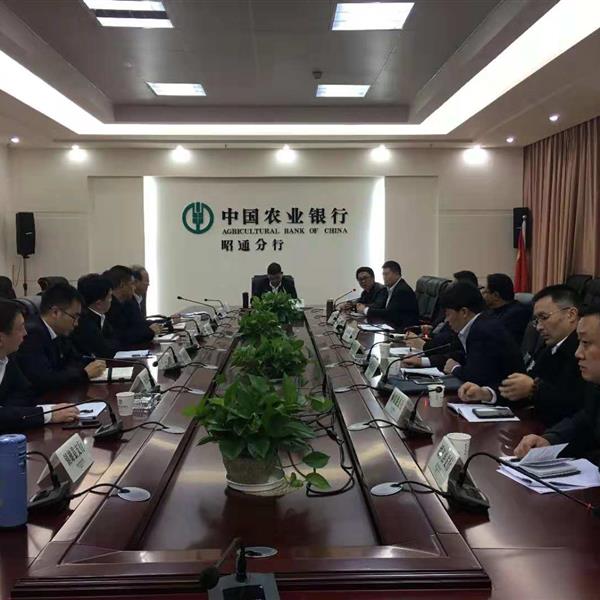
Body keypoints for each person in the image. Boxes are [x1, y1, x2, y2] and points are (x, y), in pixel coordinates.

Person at [462, 285, 585, 425]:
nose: (539, 327)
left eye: (544, 317)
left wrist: (534, 389)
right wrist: (486, 393)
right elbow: (522, 387)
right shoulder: (550, 348)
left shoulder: (584, 352)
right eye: (537, 320)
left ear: (571, 314)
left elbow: (578, 405)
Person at [514, 304, 600, 464]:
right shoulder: (595, 384)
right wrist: (550, 440)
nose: (578, 353)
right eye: (579, 342)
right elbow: (585, 420)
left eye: (586, 343)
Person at [437, 282, 524, 403]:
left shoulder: (483, 331)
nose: (446, 320)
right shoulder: (480, 323)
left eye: (448, 314)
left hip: (507, 401)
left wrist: (455, 368)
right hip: (494, 395)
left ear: (464, 312)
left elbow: (476, 377)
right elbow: (464, 357)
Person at [0, 299, 79, 432]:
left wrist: (7, 412)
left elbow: (25, 395)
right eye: (20, 328)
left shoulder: (8, 357)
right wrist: (47, 415)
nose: (25, 333)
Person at [15, 284, 106, 394]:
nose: (76, 323)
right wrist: (84, 373)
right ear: (55, 312)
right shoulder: (32, 335)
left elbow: (75, 360)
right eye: (74, 317)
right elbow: (43, 379)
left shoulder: (60, 332)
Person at [104, 265, 160, 346]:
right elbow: (123, 337)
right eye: (132, 284)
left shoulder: (128, 303)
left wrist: (162, 324)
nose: (134, 288)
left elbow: (140, 324)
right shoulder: (109, 307)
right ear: (122, 285)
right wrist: (150, 331)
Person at [356, 261, 419, 329]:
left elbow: (389, 313)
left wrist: (365, 310)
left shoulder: (402, 290)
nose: (384, 277)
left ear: (396, 274)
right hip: (392, 324)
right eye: (383, 274)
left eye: (386, 274)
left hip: (403, 329)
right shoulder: (392, 288)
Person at [72, 274, 120, 358]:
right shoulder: (84, 322)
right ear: (98, 304)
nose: (112, 300)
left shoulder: (100, 315)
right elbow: (106, 351)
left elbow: (116, 341)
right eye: (109, 297)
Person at [481, 273, 531, 344]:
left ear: (496, 295)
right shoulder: (490, 310)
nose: (482, 295)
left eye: (485, 292)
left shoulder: (517, 314)